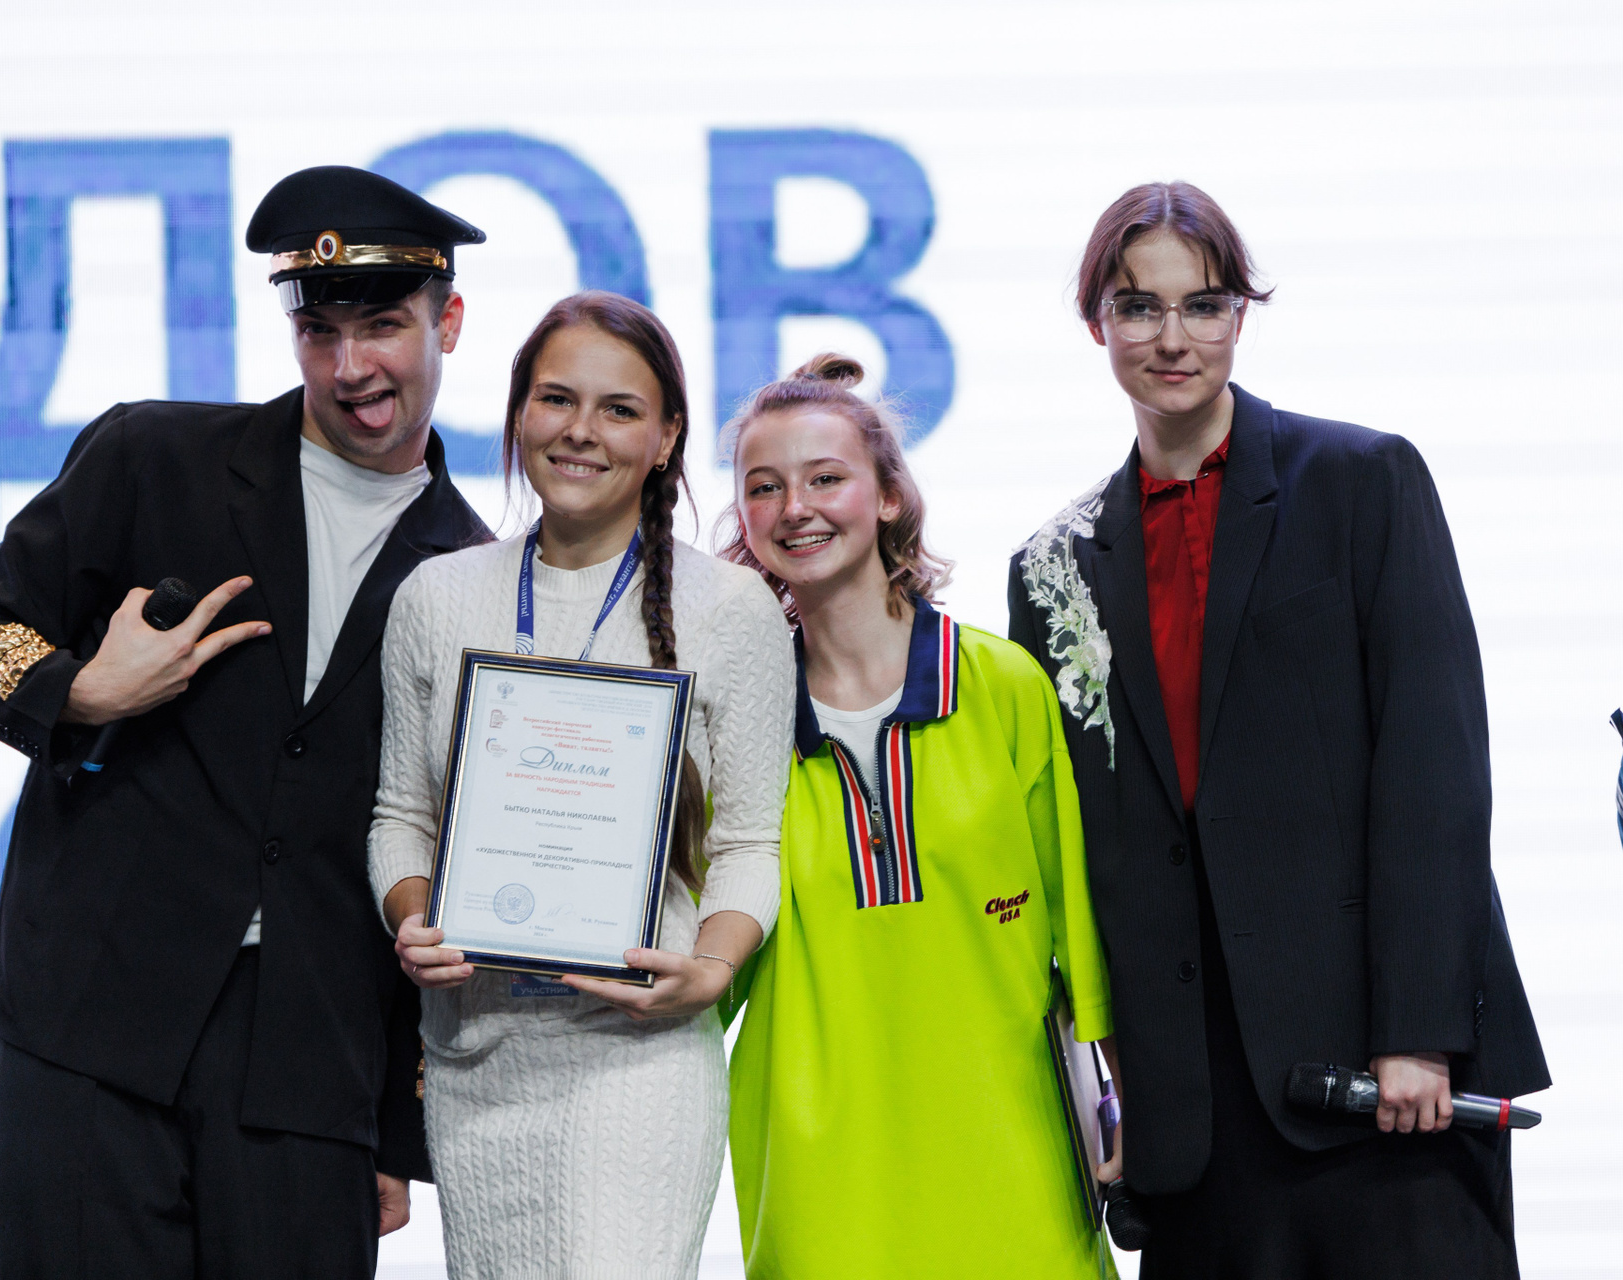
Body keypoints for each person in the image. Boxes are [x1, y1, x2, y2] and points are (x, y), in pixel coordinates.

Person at [0, 166, 491, 1278]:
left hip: (305, 1070)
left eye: (382, 325)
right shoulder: (155, 456)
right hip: (88, 1028)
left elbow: (428, 845)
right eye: (319, 331)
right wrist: (79, 691)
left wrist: (391, 1123)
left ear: (449, 322)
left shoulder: (475, 573)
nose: (350, 367)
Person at [1006, 181, 1550, 1278]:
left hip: (1379, 1078)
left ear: (1240, 316)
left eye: (1203, 305)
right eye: (1138, 306)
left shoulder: (1360, 480)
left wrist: (1417, 1032)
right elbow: (1082, 840)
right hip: (1191, 1107)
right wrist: (1107, 1086)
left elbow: (1434, 769)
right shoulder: (1050, 567)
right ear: (1097, 323)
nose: (1173, 338)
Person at [369, 291, 794, 1278]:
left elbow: (749, 842)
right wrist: (414, 914)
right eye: (557, 399)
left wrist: (713, 967)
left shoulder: (730, 607)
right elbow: (399, 817)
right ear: (519, 412)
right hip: (477, 1056)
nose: (580, 430)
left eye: (619, 409)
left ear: (666, 436)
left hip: (638, 1054)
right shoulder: (436, 596)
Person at [719, 354, 1116, 1278]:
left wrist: (1127, 1094)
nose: (795, 508)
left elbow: (1080, 925)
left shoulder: (1002, 684)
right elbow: (708, 965)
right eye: (764, 487)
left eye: (826, 478)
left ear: (889, 496)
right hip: (819, 1184)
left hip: (1014, 1157)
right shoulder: (734, 718)